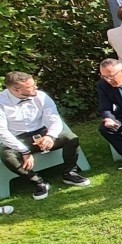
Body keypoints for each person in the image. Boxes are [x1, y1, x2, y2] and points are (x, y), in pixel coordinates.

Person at [0, 71, 91, 200]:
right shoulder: (1, 102)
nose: (35, 87)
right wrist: (24, 151)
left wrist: (50, 136)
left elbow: (54, 119)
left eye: (34, 84)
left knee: (71, 138)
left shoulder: (41, 96)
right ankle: (37, 182)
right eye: (30, 87)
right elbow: (2, 132)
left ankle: (70, 173)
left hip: (42, 132)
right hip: (18, 138)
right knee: (7, 155)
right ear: (16, 90)